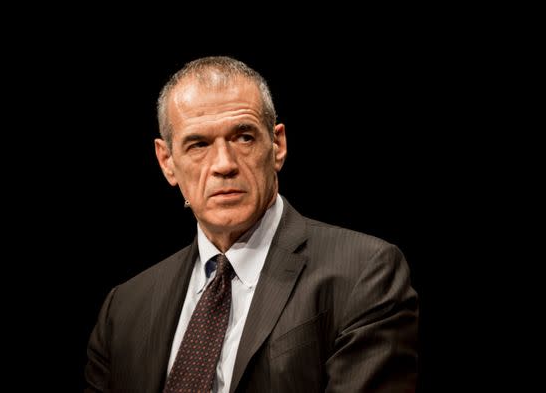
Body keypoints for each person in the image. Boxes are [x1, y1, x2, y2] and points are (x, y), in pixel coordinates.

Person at [84, 56, 419, 392]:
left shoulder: (364, 272)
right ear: (167, 162)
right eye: (198, 144)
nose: (224, 164)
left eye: (244, 137)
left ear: (277, 146)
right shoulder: (124, 309)